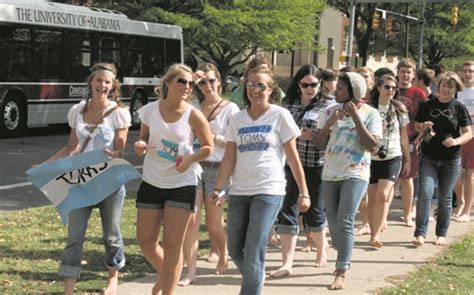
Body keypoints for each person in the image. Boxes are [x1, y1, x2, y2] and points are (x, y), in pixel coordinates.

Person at [210, 64, 309, 295]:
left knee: (254, 249)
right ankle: (256, 277)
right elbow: (229, 158)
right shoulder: (237, 119)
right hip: (239, 191)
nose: (255, 90)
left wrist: (304, 192)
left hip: (269, 190)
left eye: (261, 86)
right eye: (250, 85)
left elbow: (293, 159)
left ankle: (251, 289)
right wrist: (218, 187)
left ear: (271, 89)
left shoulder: (280, 115)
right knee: (235, 248)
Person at [44, 62, 131, 295]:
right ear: (90, 83)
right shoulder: (78, 111)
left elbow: (121, 150)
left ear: (112, 86)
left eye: (107, 82)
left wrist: (114, 153)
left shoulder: (119, 113)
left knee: (111, 235)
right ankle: (69, 290)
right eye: (99, 80)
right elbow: (71, 147)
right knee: (74, 238)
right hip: (80, 183)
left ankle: (113, 278)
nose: (102, 85)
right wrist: (45, 165)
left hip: (109, 183)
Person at [134, 63, 214, 295]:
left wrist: (190, 159)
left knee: (172, 245)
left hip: (182, 184)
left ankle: (167, 289)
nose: (187, 86)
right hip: (151, 181)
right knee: (146, 241)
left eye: (191, 83)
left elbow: (208, 147)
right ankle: (167, 273)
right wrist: (140, 146)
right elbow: (143, 140)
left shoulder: (193, 114)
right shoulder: (149, 110)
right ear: (168, 82)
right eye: (182, 81)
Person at [314, 72, 382, 290]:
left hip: (356, 173)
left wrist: (356, 118)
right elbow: (318, 143)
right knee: (333, 223)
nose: (336, 91)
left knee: (344, 220)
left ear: (354, 91)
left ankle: (341, 269)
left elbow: (372, 146)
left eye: (341, 88)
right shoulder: (328, 112)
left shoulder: (371, 114)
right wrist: (329, 124)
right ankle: (343, 245)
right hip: (330, 173)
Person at [270, 64, 335, 278]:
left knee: (315, 211)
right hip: (290, 164)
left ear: (320, 84)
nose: (310, 88)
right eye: (305, 84)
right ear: (298, 84)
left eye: (314, 84)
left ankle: (321, 250)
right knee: (287, 210)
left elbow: (334, 138)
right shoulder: (288, 104)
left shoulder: (329, 105)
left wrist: (314, 134)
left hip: (317, 164)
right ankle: (287, 262)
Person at [178, 63, 239, 286]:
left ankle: (223, 252)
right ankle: (190, 271)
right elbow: (174, 102)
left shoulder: (230, 109)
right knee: (191, 220)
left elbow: (234, 144)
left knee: (214, 224)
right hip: (194, 167)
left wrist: (213, 138)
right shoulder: (192, 106)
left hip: (217, 169)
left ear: (219, 81)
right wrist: (191, 78)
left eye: (211, 81)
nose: (207, 86)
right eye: (202, 82)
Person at [413, 72, 472, 247]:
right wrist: (422, 126)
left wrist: (456, 141)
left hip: (451, 159)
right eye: (443, 85)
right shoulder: (428, 105)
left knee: (445, 198)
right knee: (425, 193)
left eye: (450, 86)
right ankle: (420, 233)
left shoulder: (459, 108)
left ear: (456, 89)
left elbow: (468, 133)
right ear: (438, 87)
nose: (446, 89)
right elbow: (417, 125)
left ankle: (441, 233)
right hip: (429, 157)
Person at [367, 74, 411, 248]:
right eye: (387, 87)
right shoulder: (370, 109)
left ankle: (377, 235)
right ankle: (372, 232)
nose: (391, 90)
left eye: (394, 88)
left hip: (393, 155)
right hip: (371, 157)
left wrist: (407, 160)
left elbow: (404, 137)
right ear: (378, 87)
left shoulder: (399, 109)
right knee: (372, 196)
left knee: (383, 194)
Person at [396, 58, 428, 227]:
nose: (405, 75)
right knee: (390, 178)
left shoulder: (418, 93)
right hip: (392, 139)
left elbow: (426, 118)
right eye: (403, 71)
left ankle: (407, 214)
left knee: (407, 177)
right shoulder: (391, 89)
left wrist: (419, 138)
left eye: (409, 72)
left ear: (413, 74)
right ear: (398, 72)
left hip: (410, 139)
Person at [454, 60, 474, 222]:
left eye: (471, 71)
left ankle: (467, 210)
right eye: (465, 71)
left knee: (470, 174)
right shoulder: (456, 92)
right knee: (455, 173)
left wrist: (466, 117)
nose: (468, 74)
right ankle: (460, 203)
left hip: (472, 136)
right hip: (457, 136)